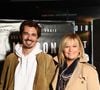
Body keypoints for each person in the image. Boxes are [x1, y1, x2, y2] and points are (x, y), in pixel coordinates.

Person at [0, 20, 56, 90]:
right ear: (20, 36)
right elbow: (2, 84)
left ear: (37, 38)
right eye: (26, 34)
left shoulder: (47, 60)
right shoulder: (10, 58)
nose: (29, 38)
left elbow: (53, 86)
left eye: (33, 35)